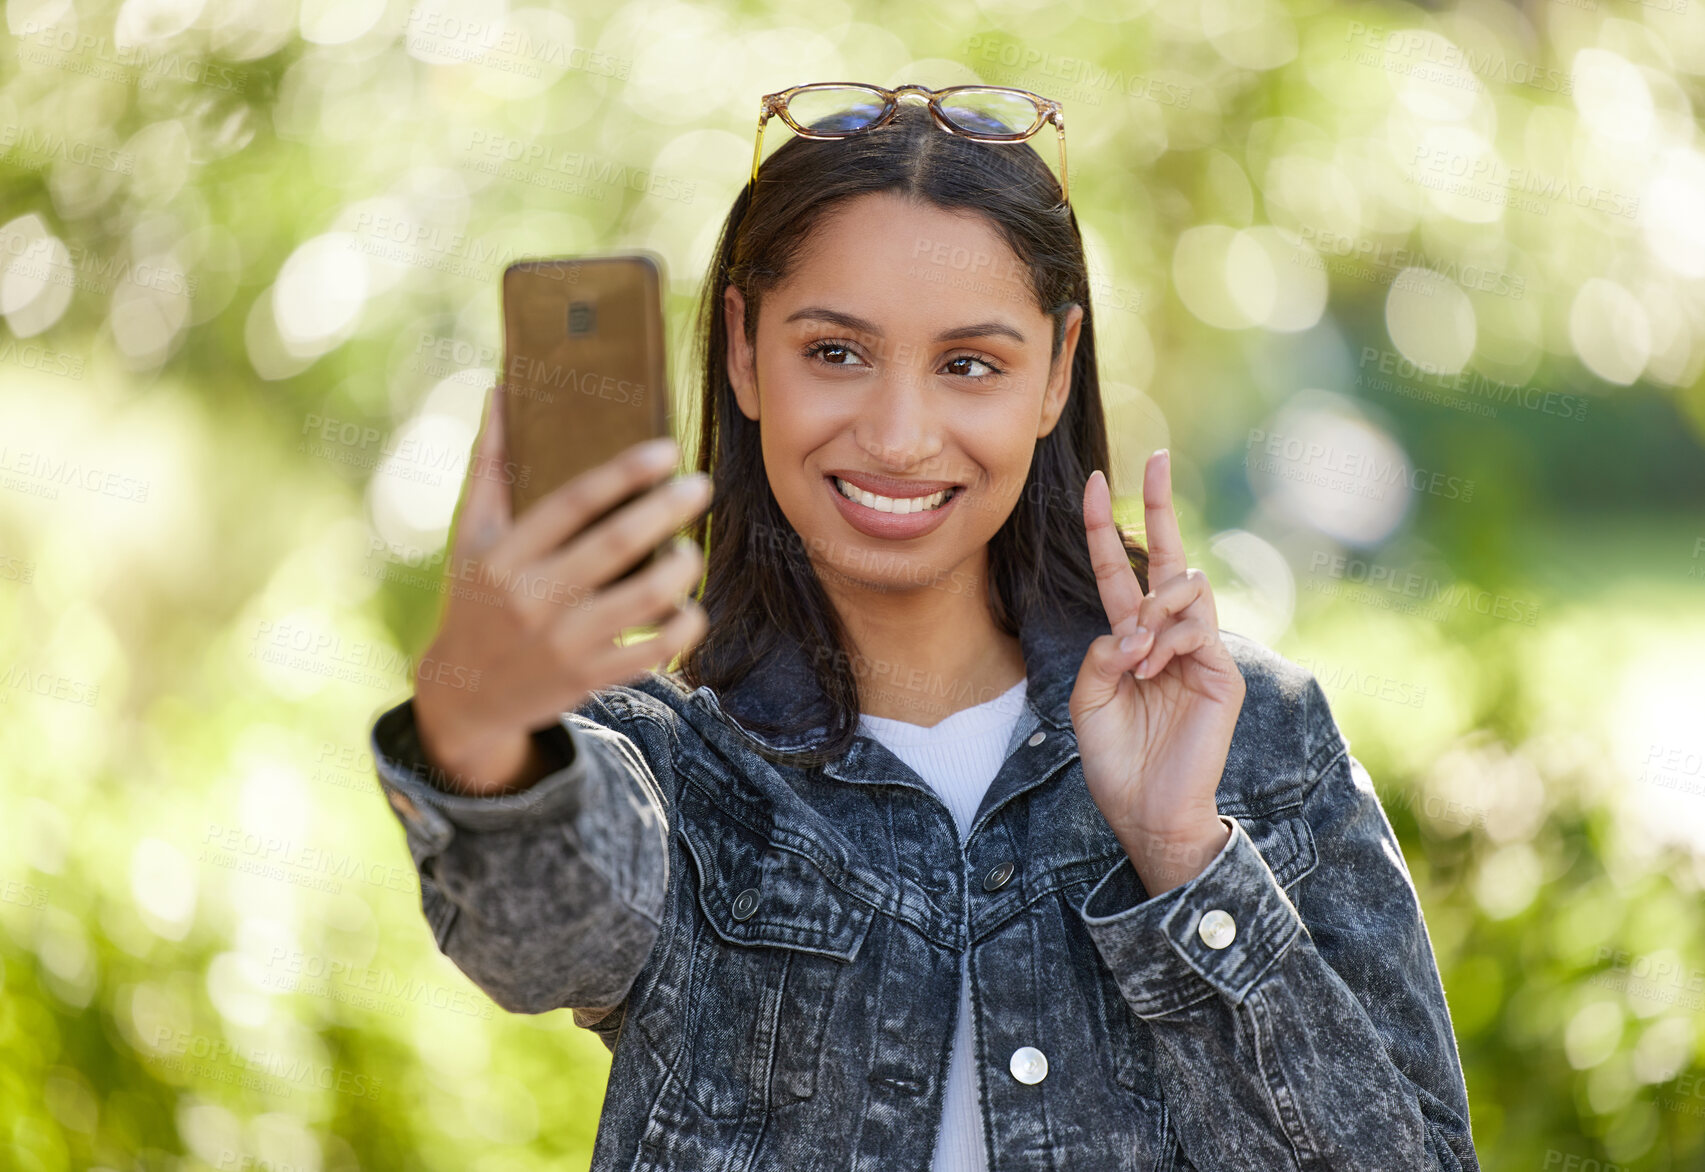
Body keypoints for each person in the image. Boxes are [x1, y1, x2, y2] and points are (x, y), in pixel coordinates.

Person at [369, 83, 1480, 1171]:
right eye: (835, 352)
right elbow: (535, 939)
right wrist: (475, 725)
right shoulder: (670, 763)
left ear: (1054, 374)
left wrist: (1184, 861)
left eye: (968, 365)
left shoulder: (1257, 742)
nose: (899, 436)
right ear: (746, 349)